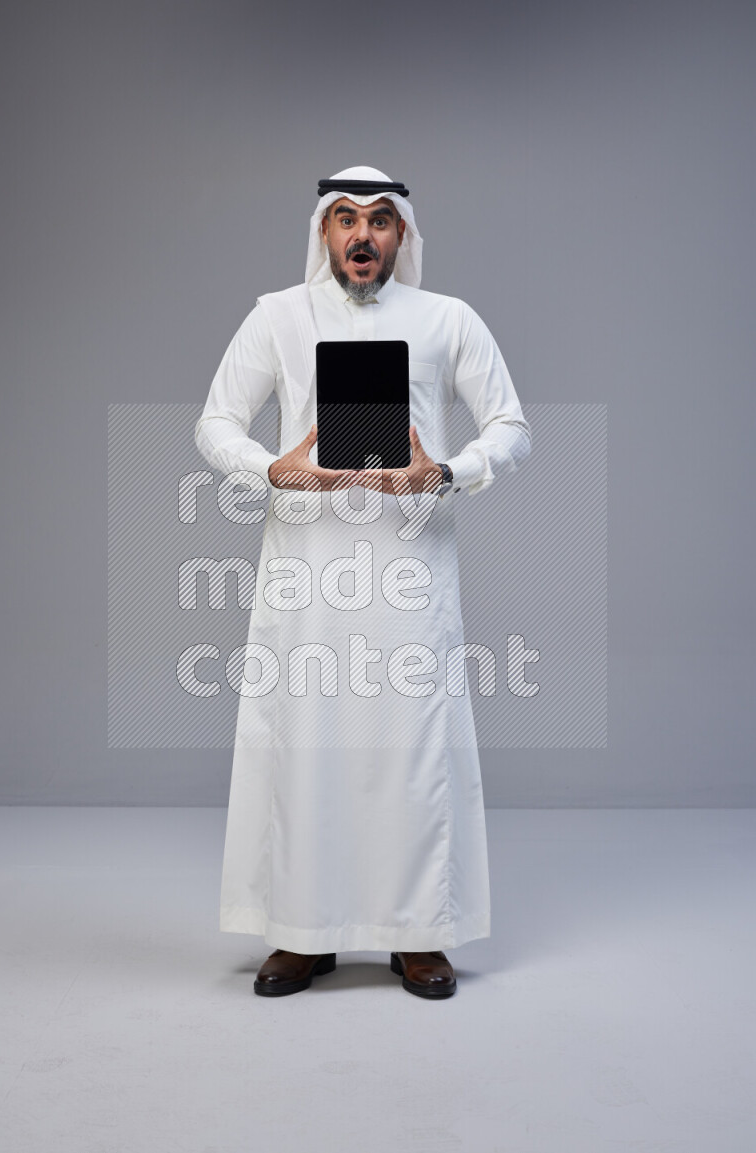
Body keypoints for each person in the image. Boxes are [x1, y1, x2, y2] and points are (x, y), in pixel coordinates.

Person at [194, 166, 532, 999]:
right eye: (345, 218)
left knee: (411, 748)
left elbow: (512, 427)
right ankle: (303, 935)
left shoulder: (447, 319)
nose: (362, 235)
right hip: (307, 573)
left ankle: (418, 935)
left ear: (403, 235)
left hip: (409, 569)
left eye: (381, 221)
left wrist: (444, 472)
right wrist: (273, 470)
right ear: (322, 231)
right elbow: (214, 423)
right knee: (306, 745)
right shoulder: (277, 316)